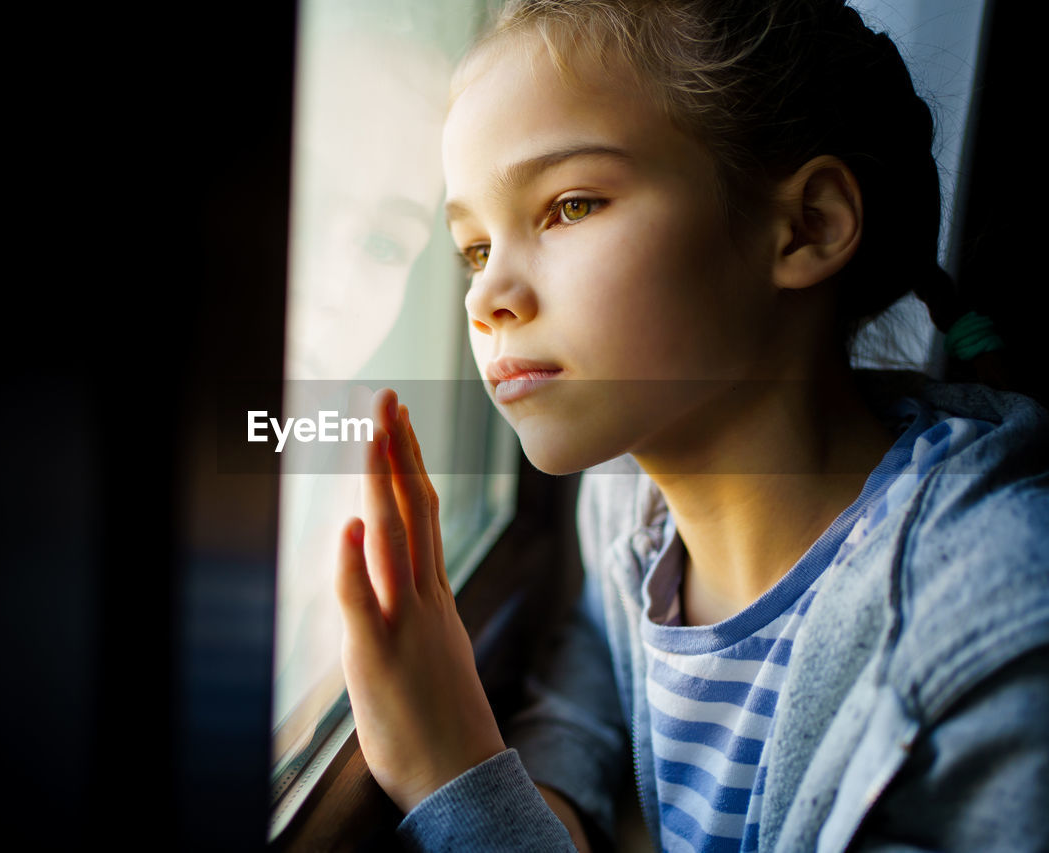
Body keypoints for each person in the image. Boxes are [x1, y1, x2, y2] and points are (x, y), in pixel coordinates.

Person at [333, 1, 1049, 850]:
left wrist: (457, 776)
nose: (486, 299)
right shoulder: (628, 499)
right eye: (475, 249)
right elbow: (600, 656)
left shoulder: (993, 633)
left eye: (569, 206)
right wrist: (550, 802)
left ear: (806, 225)